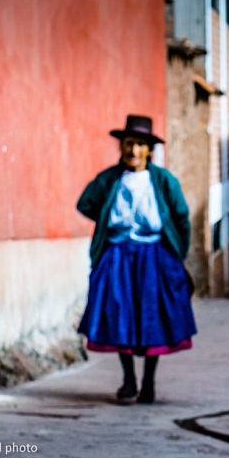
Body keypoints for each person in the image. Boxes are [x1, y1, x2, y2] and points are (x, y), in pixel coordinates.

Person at [76, 114, 196, 404]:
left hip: (154, 256)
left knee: (152, 319)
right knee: (120, 316)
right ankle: (128, 380)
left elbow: (181, 217)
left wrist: (177, 254)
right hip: (117, 255)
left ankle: (149, 383)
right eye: (129, 144)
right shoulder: (109, 180)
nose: (133, 151)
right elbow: (86, 203)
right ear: (121, 147)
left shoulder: (163, 181)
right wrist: (108, 220)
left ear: (149, 150)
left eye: (140, 145)